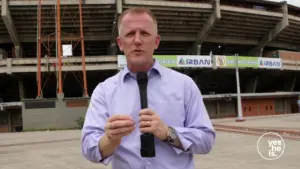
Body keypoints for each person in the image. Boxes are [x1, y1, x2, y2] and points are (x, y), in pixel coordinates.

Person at [81, 7, 216, 169]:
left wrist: (169, 133)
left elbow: (207, 140)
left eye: (144, 33)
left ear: (156, 41)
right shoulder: (104, 91)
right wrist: (110, 140)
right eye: (130, 34)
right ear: (120, 43)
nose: (137, 40)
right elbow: (88, 147)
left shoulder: (184, 85)